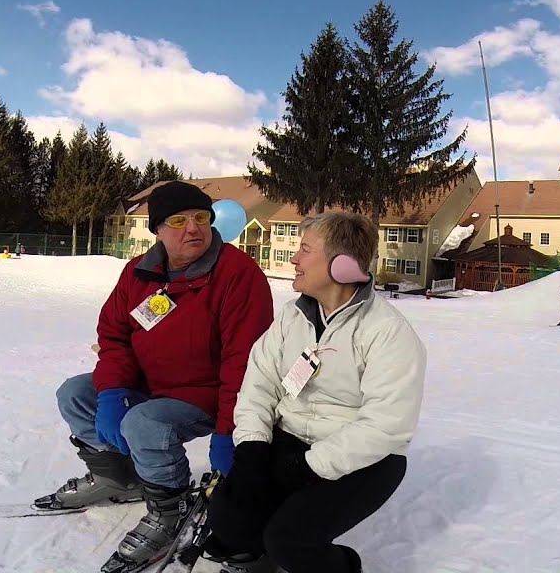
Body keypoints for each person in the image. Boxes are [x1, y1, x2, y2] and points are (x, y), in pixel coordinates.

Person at [38, 180, 275, 570]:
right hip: (150, 383)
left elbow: (245, 361)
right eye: (178, 221)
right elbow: (115, 335)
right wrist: (112, 392)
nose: (193, 228)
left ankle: (170, 508)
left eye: (201, 218)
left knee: (144, 423)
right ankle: (119, 477)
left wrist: (230, 430)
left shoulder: (238, 274)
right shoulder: (139, 273)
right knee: (75, 394)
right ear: (158, 230)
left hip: (206, 394)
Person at [202, 211, 427, 573]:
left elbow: (387, 426)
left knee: (290, 541)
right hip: (292, 442)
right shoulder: (292, 316)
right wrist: (253, 447)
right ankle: (259, 549)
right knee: (227, 518)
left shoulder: (387, 332)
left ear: (343, 266)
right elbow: (259, 383)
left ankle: (341, 566)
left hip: (366, 460)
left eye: (305, 250)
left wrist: (310, 466)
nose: (294, 259)